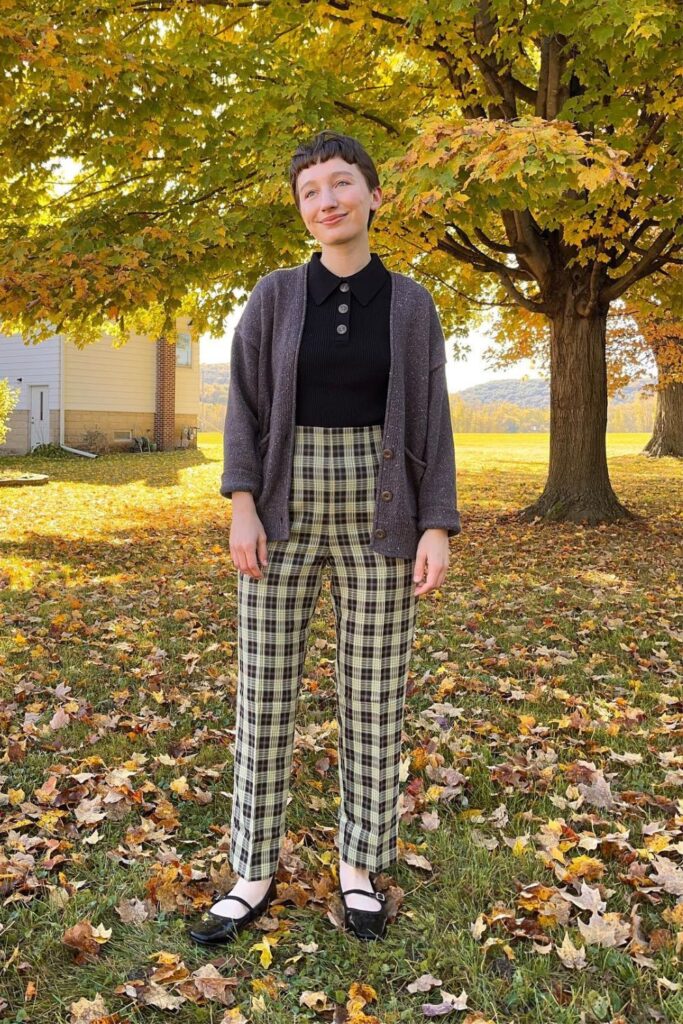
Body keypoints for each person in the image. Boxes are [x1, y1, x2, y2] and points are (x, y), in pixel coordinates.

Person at [188, 130, 461, 946]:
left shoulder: (412, 305)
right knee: (265, 689)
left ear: (374, 196)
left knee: (374, 695)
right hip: (279, 513)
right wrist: (242, 504)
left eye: (341, 185)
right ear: (302, 209)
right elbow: (243, 407)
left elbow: (432, 421)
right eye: (310, 191)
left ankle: (357, 863)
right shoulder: (272, 296)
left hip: (383, 517)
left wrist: (436, 524)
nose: (326, 201)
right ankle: (252, 868)